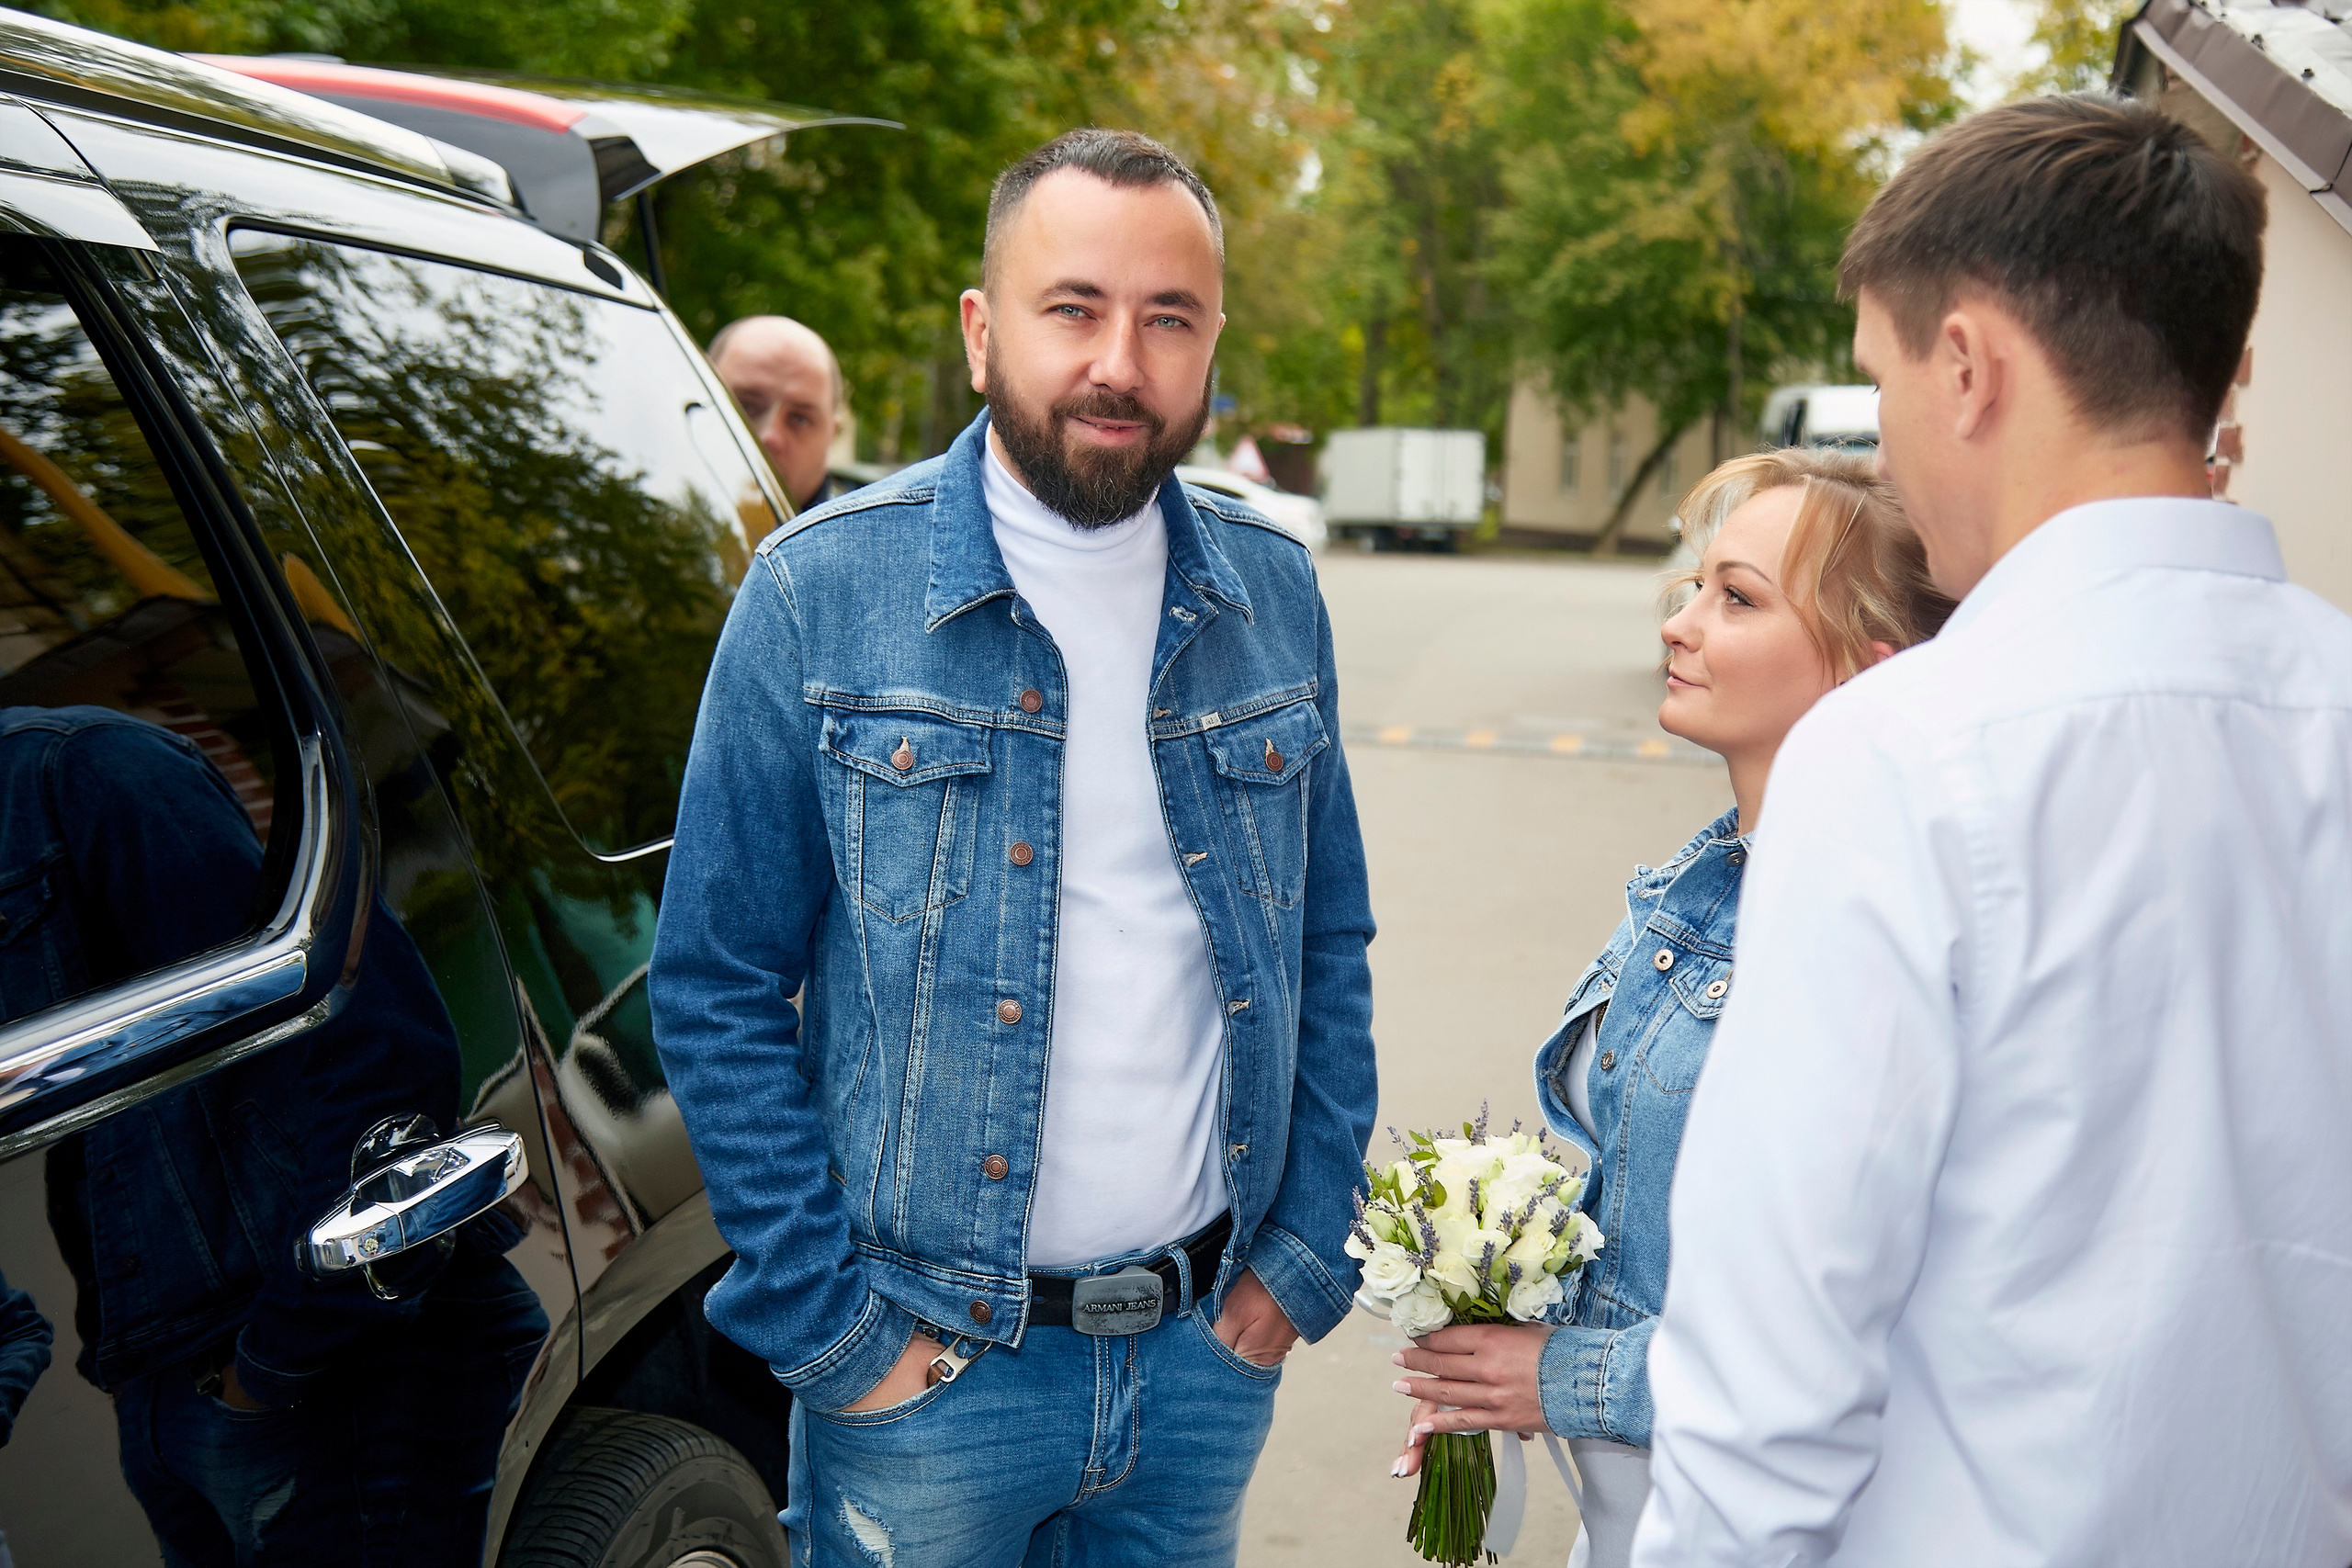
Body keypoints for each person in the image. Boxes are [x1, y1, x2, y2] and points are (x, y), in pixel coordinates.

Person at [1634, 96, 2352, 1566]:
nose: (1880, 450)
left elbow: (1769, 1389)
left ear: (1965, 365)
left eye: (1878, 381)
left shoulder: (1901, 756)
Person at [649, 128, 1378, 1567]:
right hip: (926, 1380)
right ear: (984, 333)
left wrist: (1294, 1263)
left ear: (1213, 341)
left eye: (1168, 317)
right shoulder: (820, 591)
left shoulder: (1273, 595)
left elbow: (1325, 944)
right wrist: (834, 1331)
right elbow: (716, 983)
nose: (1121, 358)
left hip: (1198, 1360)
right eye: (1075, 308)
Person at [1387, 451, 1951, 1568]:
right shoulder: (1692, 888)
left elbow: (1867, 1333)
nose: (1679, 626)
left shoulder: (1876, 937)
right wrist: (1490, 1339)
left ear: (1866, 674)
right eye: (1694, 586)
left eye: (1737, 600)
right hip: (1633, 1522)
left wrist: (1563, 1376)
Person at [2, 705, 547, 1565]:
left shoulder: (86, 775)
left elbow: (376, 1044)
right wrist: (136, 1376)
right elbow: (95, 1134)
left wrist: (268, 1371)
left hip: (312, 1366)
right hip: (174, 1382)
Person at [707, 314, 856, 513]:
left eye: (800, 419)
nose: (770, 438)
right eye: (746, 407)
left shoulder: (867, 541)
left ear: (832, 435)